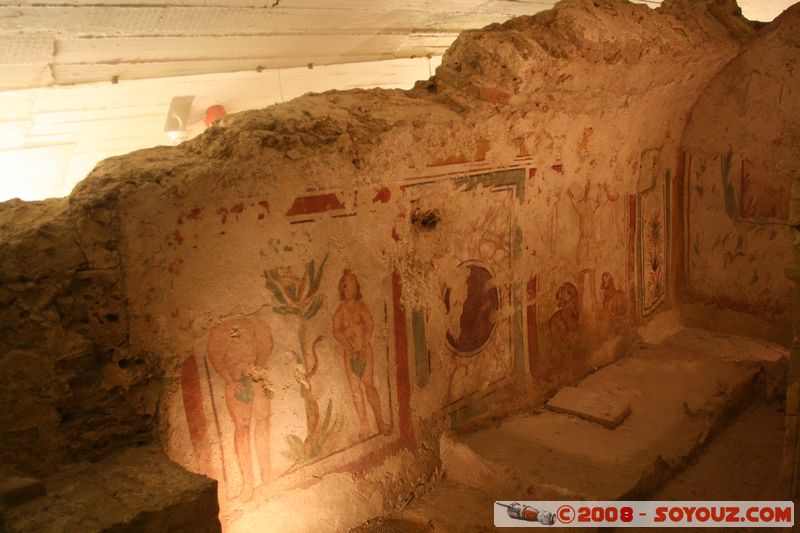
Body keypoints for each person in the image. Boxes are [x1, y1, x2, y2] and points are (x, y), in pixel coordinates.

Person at [207, 313, 272, 501]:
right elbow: (215, 356)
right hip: (235, 382)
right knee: (242, 427)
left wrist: (258, 368)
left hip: (255, 378)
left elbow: (266, 343)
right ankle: (248, 482)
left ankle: (267, 476)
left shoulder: (253, 322)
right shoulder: (220, 329)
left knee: (262, 421)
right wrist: (230, 380)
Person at [332, 270, 390, 440]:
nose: (354, 287)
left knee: (369, 386)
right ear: (343, 288)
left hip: (364, 350)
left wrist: (363, 346)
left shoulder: (361, 307)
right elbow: (335, 331)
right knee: (355, 390)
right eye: (351, 284)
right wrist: (349, 347)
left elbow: (370, 325)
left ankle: (380, 422)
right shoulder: (340, 312)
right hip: (349, 354)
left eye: (356, 284)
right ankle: (364, 426)